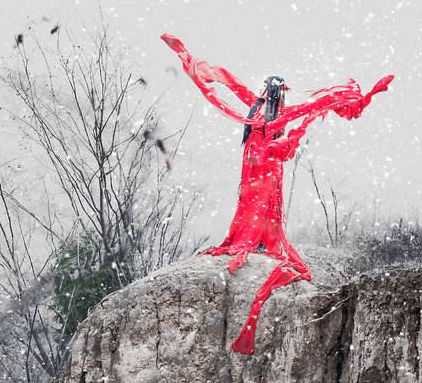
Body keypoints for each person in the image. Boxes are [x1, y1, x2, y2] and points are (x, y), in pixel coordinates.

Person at [160, 33, 393, 354]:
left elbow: (235, 84)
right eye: (280, 92)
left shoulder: (262, 109)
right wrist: (348, 98)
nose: (281, 96)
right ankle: (256, 239)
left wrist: (194, 62)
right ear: (277, 93)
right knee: (260, 203)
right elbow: (304, 103)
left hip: (257, 163)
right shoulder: (272, 111)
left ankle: (253, 239)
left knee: (255, 203)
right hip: (263, 164)